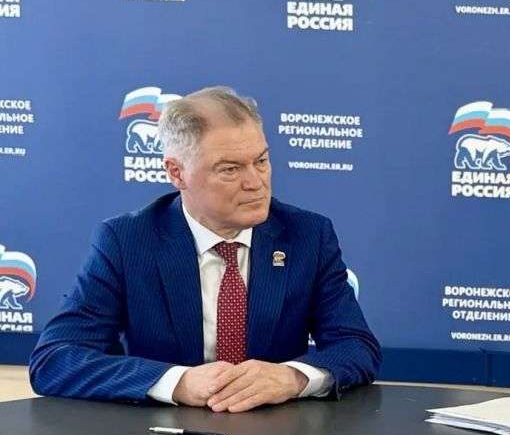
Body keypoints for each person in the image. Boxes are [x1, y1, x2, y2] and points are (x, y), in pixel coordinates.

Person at [29, 86, 380, 411]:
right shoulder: (127, 241)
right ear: (177, 173)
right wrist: (178, 382)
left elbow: (355, 345)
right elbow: (54, 359)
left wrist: (291, 378)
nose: (255, 183)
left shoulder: (307, 235)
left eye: (261, 161)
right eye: (230, 169)